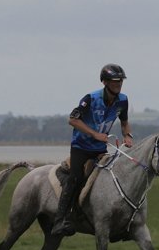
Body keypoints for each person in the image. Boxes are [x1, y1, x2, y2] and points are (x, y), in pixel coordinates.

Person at [51, 64, 134, 236]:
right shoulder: (90, 98)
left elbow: (124, 122)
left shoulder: (123, 100)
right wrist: (95, 134)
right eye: (115, 81)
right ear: (105, 82)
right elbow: (72, 120)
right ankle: (59, 221)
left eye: (121, 81)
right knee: (75, 178)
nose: (119, 84)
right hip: (80, 147)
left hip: (100, 149)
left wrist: (127, 135)